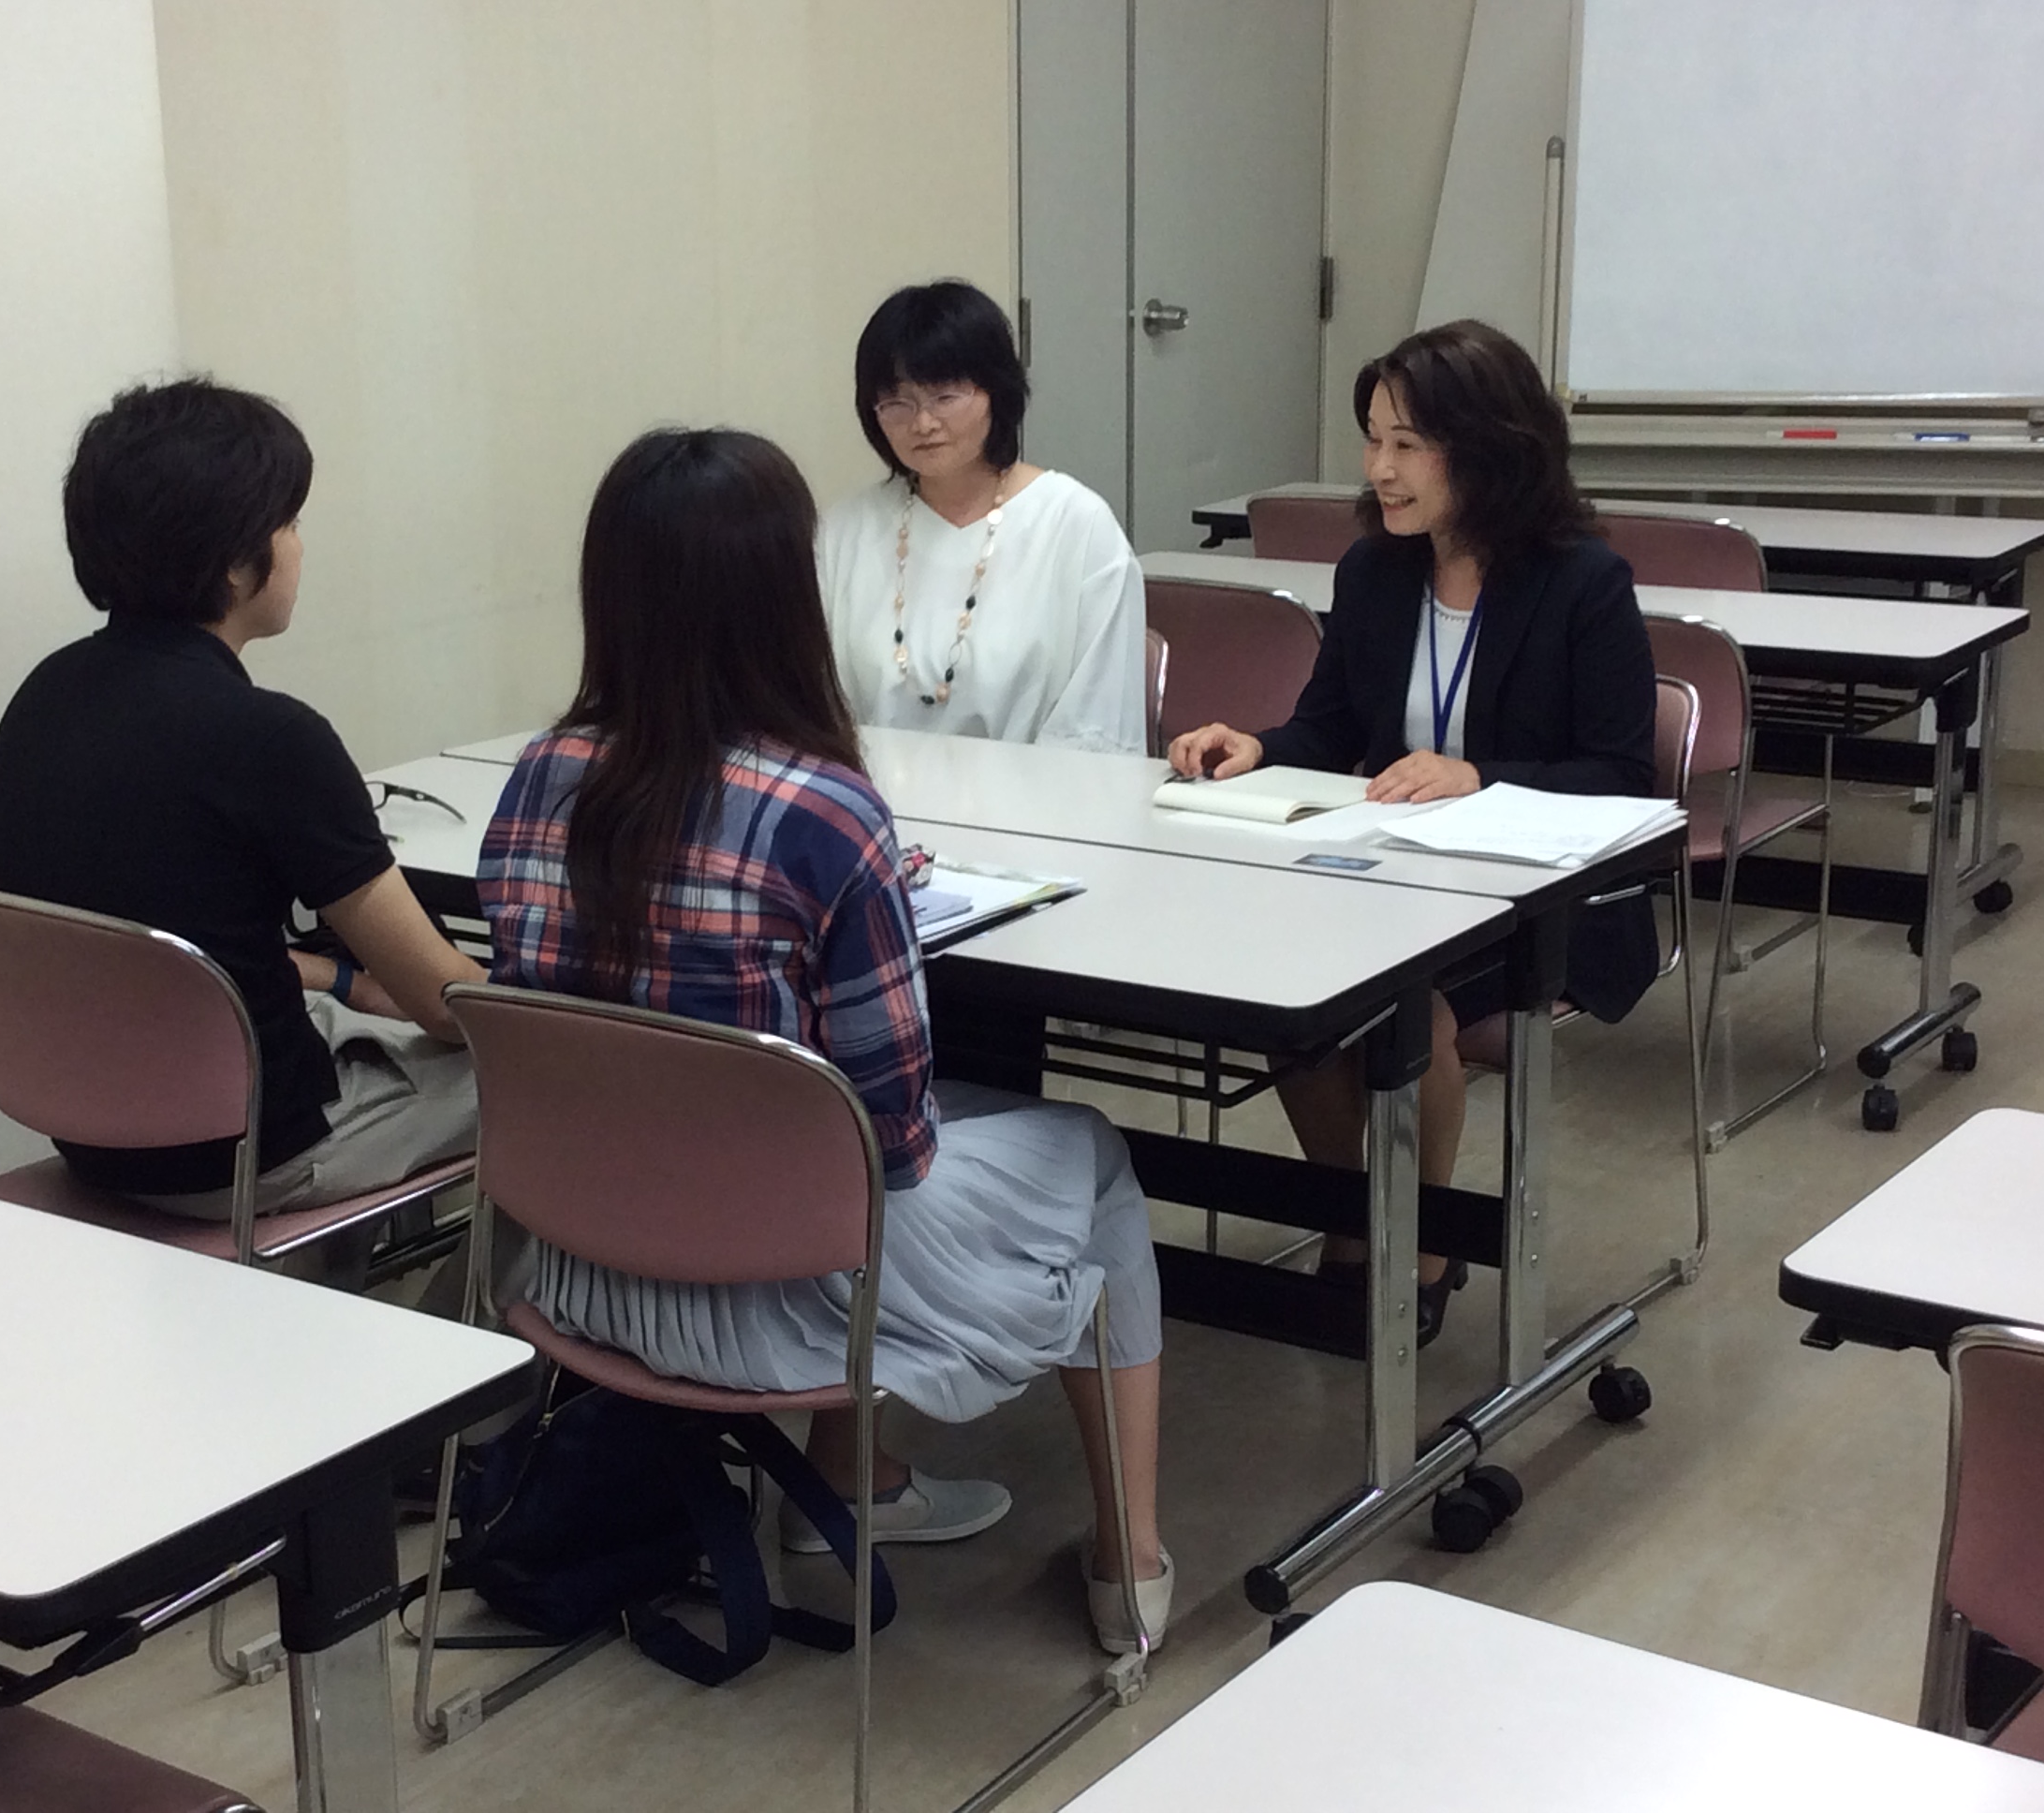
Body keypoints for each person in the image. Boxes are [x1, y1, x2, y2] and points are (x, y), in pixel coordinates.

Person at [479, 427, 1172, 1653]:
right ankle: (1131, 1566)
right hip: (771, 1301)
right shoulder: (826, 813)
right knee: (1092, 1159)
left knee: (819, 1130)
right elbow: (893, 1145)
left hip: (579, 1275)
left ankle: (860, 1483)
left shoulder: (539, 777)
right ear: (780, 598)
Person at [1166, 319, 1660, 1344]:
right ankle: (1353, 1218)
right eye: (1372, 440)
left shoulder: (1582, 582)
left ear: (1488, 448)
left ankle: (1424, 1242)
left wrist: (1478, 778)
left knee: (1410, 1015)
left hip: (1540, 896)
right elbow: (1327, 728)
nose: (1378, 469)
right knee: (1299, 1003)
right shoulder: (1375, 572)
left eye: (1406, 445)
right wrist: (1255, 746)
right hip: (1395, 877)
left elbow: (1620, 777)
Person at [0, 377, 485, 1231]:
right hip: (245, 1157)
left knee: (358, 1024)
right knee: (566, 1085)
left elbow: (171, 950)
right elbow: (443, 1002)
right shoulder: (269, 738)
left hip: (90, 1131)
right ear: (236, 560)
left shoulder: (45, 694)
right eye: (290, 522)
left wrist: (347, 982)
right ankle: (507, 1323)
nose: (299, 547)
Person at [816, 280, 1146, 754]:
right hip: (868, 793)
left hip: (1039, 794)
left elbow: (1098, 728)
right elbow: (814, 707)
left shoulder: (1075, 526)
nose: (923, 423)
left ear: (997, 392)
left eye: (945, 396)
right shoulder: (845, 532)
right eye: (897, 402)